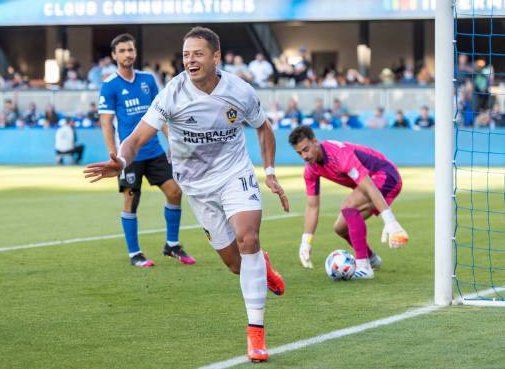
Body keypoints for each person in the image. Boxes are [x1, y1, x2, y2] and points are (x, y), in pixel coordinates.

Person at [84, 27, 289, 363]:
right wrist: (120, 160)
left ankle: (256, 333)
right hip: (197, 187)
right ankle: (260, 267)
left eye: (197, 54)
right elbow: (136, 138)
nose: (190, 60)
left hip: (235, 174)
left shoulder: (240, 90)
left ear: (216, 57)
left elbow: (263, 128)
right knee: (235, 264)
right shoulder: (172, 94)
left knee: (248, 237)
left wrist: (269, 171)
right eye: (186, 55)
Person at [97, 33, 196, 268]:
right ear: (114, 55)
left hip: (154, 151)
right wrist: (115, 156)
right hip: (128, 155)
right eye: (122, 51)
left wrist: (172, 141)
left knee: (174, 192)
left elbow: (161, 114)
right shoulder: (109, 85)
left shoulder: (147, 80)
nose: (127, 54)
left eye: (130, 50)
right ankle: (135, 254)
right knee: (131, 200)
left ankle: (172, 245)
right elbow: (106, 123)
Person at [289, 125, 408, 279]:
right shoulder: (311, 169)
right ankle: (371, 259)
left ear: (315, 141)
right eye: (299, 153)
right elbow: (312, 206)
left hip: (386, 176)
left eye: (306, 149)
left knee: (348, 206)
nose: (304, 156)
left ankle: (364, 267)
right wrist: (306, 242)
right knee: (340, 228)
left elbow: (369, 187)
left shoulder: (340, 155)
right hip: (370, 184)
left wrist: (390, 221)